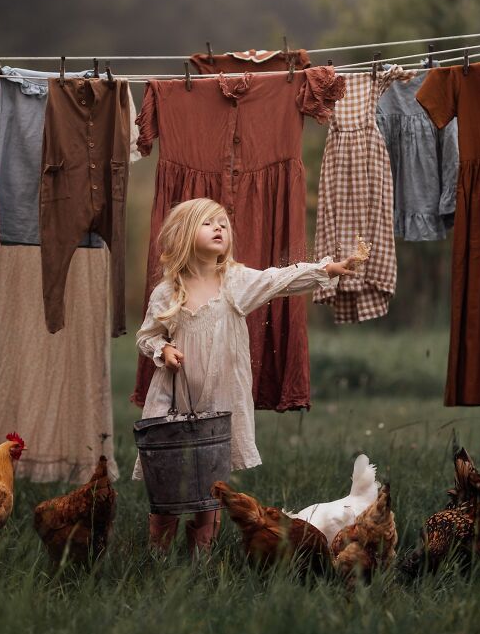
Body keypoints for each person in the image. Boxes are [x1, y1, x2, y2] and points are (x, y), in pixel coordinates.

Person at [134, 197, 356, 556]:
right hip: (174, 402)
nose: (219, 228)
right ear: (185, 234)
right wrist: (164, 350)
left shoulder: (235, 282)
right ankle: (158, 556)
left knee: (210, 485)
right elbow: (147, 336)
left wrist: (326, 269)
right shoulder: (167, 292)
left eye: (223, 223)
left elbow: (280, 279)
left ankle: (201, 558)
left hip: (219, 404)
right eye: (208, 223)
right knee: (169, 482)